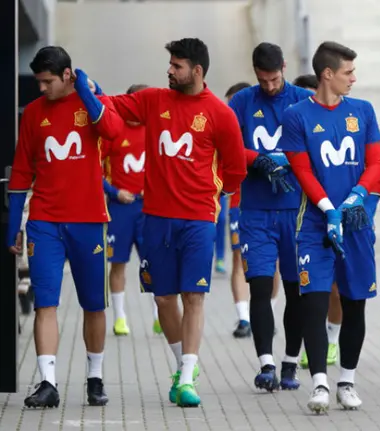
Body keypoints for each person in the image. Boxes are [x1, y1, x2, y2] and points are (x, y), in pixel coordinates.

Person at [74, 38, 247, 407]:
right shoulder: (153, 99)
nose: (169, 70)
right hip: (156, 219)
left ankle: (187, 377)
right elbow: (110, 108)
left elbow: (235, 170)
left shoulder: (220, 113)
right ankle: (181, 365)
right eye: (169, 64)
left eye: (177, 65)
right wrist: (89, 87)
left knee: (194, 296)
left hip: (199, 219)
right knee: (164, 298)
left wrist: (212, 196)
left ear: (197, 71)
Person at [7, 46, 123, 408]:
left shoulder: (91, 103)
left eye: (47, 81)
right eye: (39, 81)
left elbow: (114, 131)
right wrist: (14, 224)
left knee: (93, 305)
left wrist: (87, 92)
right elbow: (22, 170)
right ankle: (48, 383)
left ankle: (94, 377)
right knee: (46, 303)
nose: (41, 89)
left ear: (68, 75)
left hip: (89, 221)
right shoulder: (33, 115)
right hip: (44, 221)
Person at [281, 41, 380, 413]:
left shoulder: (363, 110)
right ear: (328, 74)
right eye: (348, 72)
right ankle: (320, 384)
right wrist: (328, 209)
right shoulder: (296, 115)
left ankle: (347, 382)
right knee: (315, 301)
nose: (353, 79)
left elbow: (377, 163)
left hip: (355, 225)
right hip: (314, 224)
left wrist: (355, 198)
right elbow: (301, 168)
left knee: (355, 304)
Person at [228, 42, 313, 391]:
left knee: (296, 291)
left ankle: (291, 362)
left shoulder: (301, 100)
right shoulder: (242, 102)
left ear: (285, 67)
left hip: (295, 212)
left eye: (274, 78)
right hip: (256, 211)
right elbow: (228, 144)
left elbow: (314, 145)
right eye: (263, 80)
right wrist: (255, 159)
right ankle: (266, 364)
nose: (269, 86)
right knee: (260, 286)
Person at [292, 73, 344, 369]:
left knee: (336, 289)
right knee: (309, 290)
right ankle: (309, 343)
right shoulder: (297, 124)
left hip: (341, 217)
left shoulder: (342, 121)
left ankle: (332, 341)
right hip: (307, 219)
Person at [102, 83, 149, 337]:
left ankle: (157, 315)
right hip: (120, 208)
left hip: (149, 208)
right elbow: (94, 170)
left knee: (152, 262)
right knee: (117, 263)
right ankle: (120, 318)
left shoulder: (155, 130)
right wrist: (114, 192)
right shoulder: (113, 130)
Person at [223, 81, 252, 338]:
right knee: (239, 258)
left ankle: (267, 312)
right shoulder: (223, 132)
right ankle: (243, 318)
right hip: (238, 203)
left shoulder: (259, 127)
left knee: (273, 265)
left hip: (267, 204)